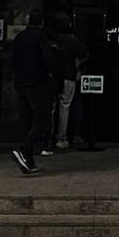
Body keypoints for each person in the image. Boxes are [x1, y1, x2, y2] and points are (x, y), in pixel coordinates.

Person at [11, 10, 56, 175]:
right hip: (37, 83)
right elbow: (47, 58)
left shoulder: (19, 38)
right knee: (42, 118)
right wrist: (50, 73)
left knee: (28, 119)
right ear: (42, 22)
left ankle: (28, 159)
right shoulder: (40, 37)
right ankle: (25, 149)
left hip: (21, 83)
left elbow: (13, 59)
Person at [49, 12, 88, 150]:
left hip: (52, 76)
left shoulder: (50, 38)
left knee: (51, 107)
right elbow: (84, 53)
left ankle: (48, 137)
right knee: (65, 106)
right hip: (68, 75)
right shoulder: (71, 40)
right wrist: (77, 64)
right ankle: (62, 137)